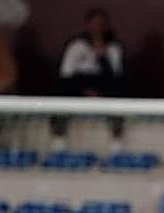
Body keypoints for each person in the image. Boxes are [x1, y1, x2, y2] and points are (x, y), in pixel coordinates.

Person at [52, 7, 126, 152]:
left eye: (101, 24)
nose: (97, 28)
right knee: (59, 99)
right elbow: (66, 75)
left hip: (104, 88)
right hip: (77, 88)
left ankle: (116, 148)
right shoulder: (76, 46)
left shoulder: (113, 48)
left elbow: (116, 76)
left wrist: (102, 57)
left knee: (119, 98)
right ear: (87, 25)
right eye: (94, 23)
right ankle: (58, 145)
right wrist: (85, 91)